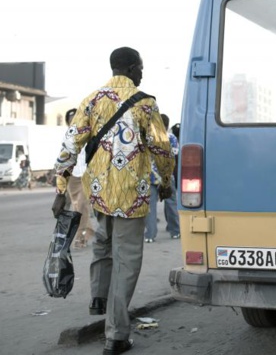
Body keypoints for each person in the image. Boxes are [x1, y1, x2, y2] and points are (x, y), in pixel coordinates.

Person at [53, 46, 174, 355]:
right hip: (132, 196)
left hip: (100, 192)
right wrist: (167, 183)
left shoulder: (92, 100)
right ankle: (116, 335)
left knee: (104, 244)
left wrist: (59, 186)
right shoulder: (146, 104)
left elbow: (71, 143)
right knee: (127, 260)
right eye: (141, 68)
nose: (142, 73)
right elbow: (161, 149)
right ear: (132, 68)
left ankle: (98, 298)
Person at [63, 108, 96, 249]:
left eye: (75, 119)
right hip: (72, 176)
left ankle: (81, 237)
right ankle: (87, 231)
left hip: (87, 175)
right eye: (70, 120)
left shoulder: (90, 134)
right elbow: (63, 158)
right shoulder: (67, 136)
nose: (73, 122)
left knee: (81, 205)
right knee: (77, 207)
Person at [144, 114, 180, 242]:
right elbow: (175, 155)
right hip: (166, 175)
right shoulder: (171, 138)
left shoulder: (148, 137)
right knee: (171, 203)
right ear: (167, 125)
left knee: (150, 206)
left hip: (150, 176)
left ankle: (150, 235)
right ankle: (175, 231)